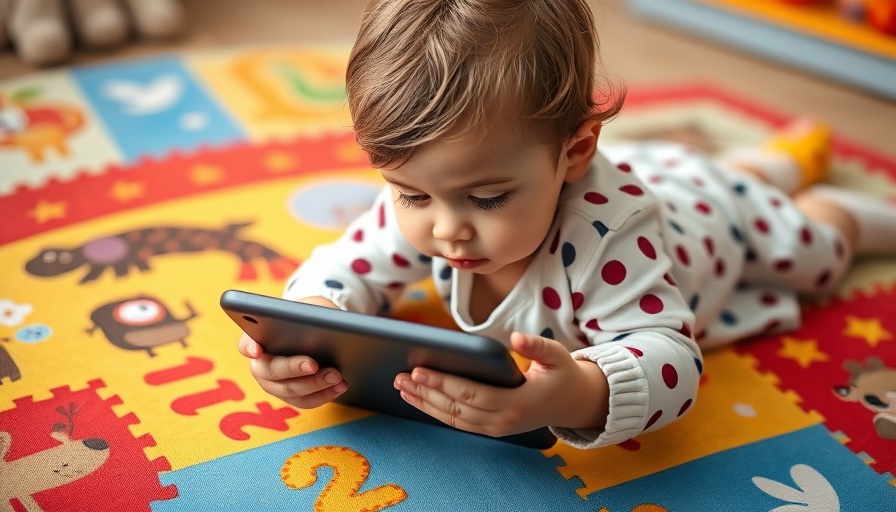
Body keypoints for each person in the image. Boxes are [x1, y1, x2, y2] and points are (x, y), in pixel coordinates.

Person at [237, 0, 896, 449]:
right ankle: (774, 160)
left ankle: (828, 203)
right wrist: (307, 328)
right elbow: (342, 267)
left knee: (810, 251)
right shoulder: (436, 192)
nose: (447, 231)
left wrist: (577, 394)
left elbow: (673, 359)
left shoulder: (611, 234)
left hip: (718, 217)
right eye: (411, 196)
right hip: (666, 169)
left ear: (574, 153)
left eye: (487, 199)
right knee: (733, 168)